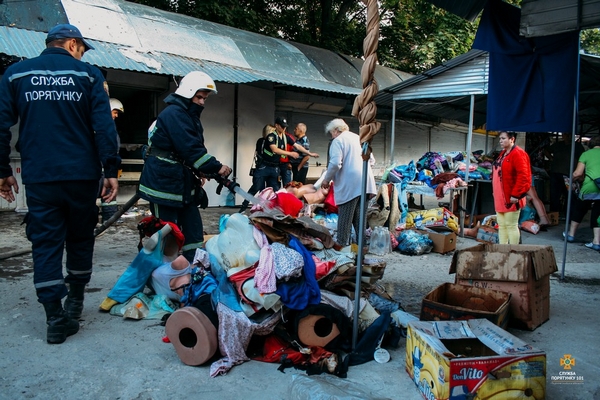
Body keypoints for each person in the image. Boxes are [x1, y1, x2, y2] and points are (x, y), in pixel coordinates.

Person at [0, 24, 121, 344]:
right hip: (82, 175)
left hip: (41, 176)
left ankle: (54, 317)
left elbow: (1, 124)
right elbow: (104, 126)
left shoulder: (16, 74)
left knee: (45, 241)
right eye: (81, 48)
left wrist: (2, 170)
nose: (82, 55)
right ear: (71, 43)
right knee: (80, 239)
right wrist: (111, 169)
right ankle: (75, 303)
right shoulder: (89, 75)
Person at [138, 71, 232, 262]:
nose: (202, 102)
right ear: (188, 93)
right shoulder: (175, 114)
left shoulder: (188, 116)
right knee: (164, 233)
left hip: (180, 185)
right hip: (163, 185)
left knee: (193, 229)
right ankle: (156, 273)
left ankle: (193, 267)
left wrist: (201, 170)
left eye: (204, 98)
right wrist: (216, 167)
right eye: (199, 97)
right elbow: (191, 149)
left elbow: (190, 151)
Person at [319, 118, 376, 246]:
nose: (331, 135)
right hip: (365, 183)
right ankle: (362, 245)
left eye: (331, 133)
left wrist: (326, 180)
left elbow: (335, 163)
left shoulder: (338, 141)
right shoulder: (358, 138)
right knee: (360, 218)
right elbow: (371, 160)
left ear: (336, 130)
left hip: (350, 184)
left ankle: (342, 245)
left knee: (345, 217)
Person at [491, 131, 531, 244]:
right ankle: (503, 251)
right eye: (500, 138)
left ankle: (514, 251)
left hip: (511, 196)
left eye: (503, 138)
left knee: (511, 225)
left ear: (512, 139)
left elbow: (524, 176)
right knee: (502, 225)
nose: (500, 141)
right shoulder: (503, 153)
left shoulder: (518, 154)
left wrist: (516, 194)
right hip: (500, 196)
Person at [564, 135, 600, 250]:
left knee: (579, 209)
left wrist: (571, 180)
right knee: (597, 214)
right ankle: (596, 242)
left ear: (590, 145)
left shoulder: (586, 154)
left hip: (589, 187)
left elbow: (577, 174)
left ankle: (571, 235)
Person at [238, 124, 277, 213]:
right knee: (258, 188)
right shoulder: (262, 141)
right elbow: (264, 154)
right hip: (263, 167)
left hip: (265, 168)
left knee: (264, 189)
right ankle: (246, 207)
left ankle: (248, 207)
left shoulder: (262, 141)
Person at [99, 98, 125, 223]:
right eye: (115, 112)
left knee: (108, 195)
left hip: (107, 168)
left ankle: (109, 220)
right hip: (102, 167)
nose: (116, 115)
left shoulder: (110, 126)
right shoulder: (103, 126)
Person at [546, 133, 585, 216]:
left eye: (569, 135)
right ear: (563, 136)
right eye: (566, 135)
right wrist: (551, 158)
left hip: (569, 175)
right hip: (556, 174)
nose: (568, 136)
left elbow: (582, 159)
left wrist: (581, 173)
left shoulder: (577, 146)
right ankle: (554, 215)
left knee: (570, 195)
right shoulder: (558, 144)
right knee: (554, 195)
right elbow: (546, 150)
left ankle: (569, 215)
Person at [273, 117, 316, 187]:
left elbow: (307, 156)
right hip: (294, 166)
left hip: (300, 167)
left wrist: (299, 167)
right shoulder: (297, 140)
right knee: (293, 185)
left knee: (298, 186)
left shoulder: (304, 140)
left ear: (301, 131)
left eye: (296, 129)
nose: (294, 130)